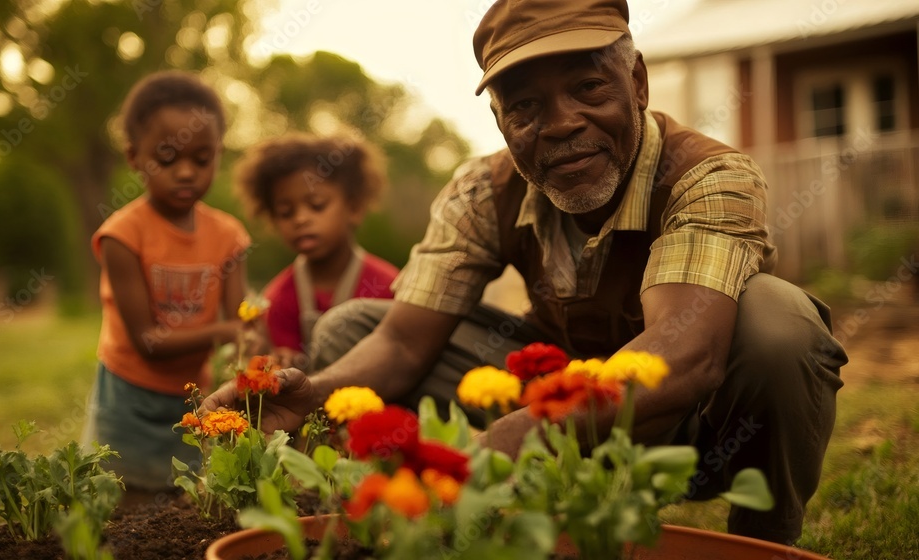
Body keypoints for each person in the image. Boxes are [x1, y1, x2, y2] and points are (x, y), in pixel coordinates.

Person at [201, 0, 847, 544]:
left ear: (639, 83)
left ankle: (756, 546)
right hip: (556, 410)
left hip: (691, 427)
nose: (562, 124)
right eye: (527, 107)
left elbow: (686, 351)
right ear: (500, 120)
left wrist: (526, 428)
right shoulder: (483, 190)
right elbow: (401, 342)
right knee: (352, 331)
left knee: (779, 325)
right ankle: (425, 531)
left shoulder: (708, 176)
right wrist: (315, 393)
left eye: (589, 88)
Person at [82, 70, 254, 503]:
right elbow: (148, 342)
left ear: (218, 154)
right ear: (134, 157)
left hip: (192, 397)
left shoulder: (229, 236)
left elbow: (243, 322)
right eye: (167, 156)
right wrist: (225, 333)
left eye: (201, 159)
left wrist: (256, 348)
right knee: (121, 500)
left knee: (181, 507)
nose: (185, 172)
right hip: (128, 395)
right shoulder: (123, 236)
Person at [232, 133, 399, 370]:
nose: (300, 219)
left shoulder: (388, 285)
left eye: (317, 205)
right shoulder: (278, 299)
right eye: (286, 212)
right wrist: (281, 359)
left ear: (354, 207)